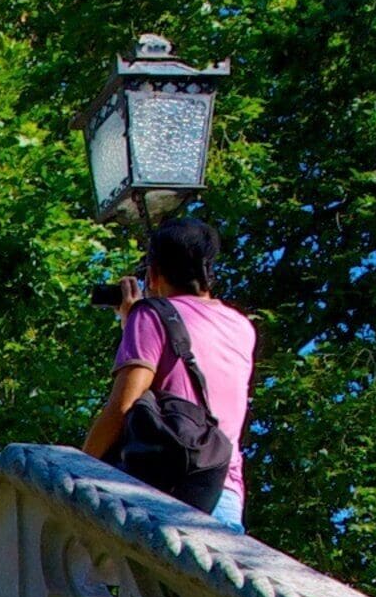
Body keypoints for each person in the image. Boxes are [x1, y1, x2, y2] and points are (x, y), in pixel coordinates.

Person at [80, 214, 255, 524]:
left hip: (165, 490)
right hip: (221, 492)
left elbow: (124, 404)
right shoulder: (241, 327)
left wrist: (79, 466)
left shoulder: (150, 316)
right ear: (209, 272)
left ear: (153, 272)